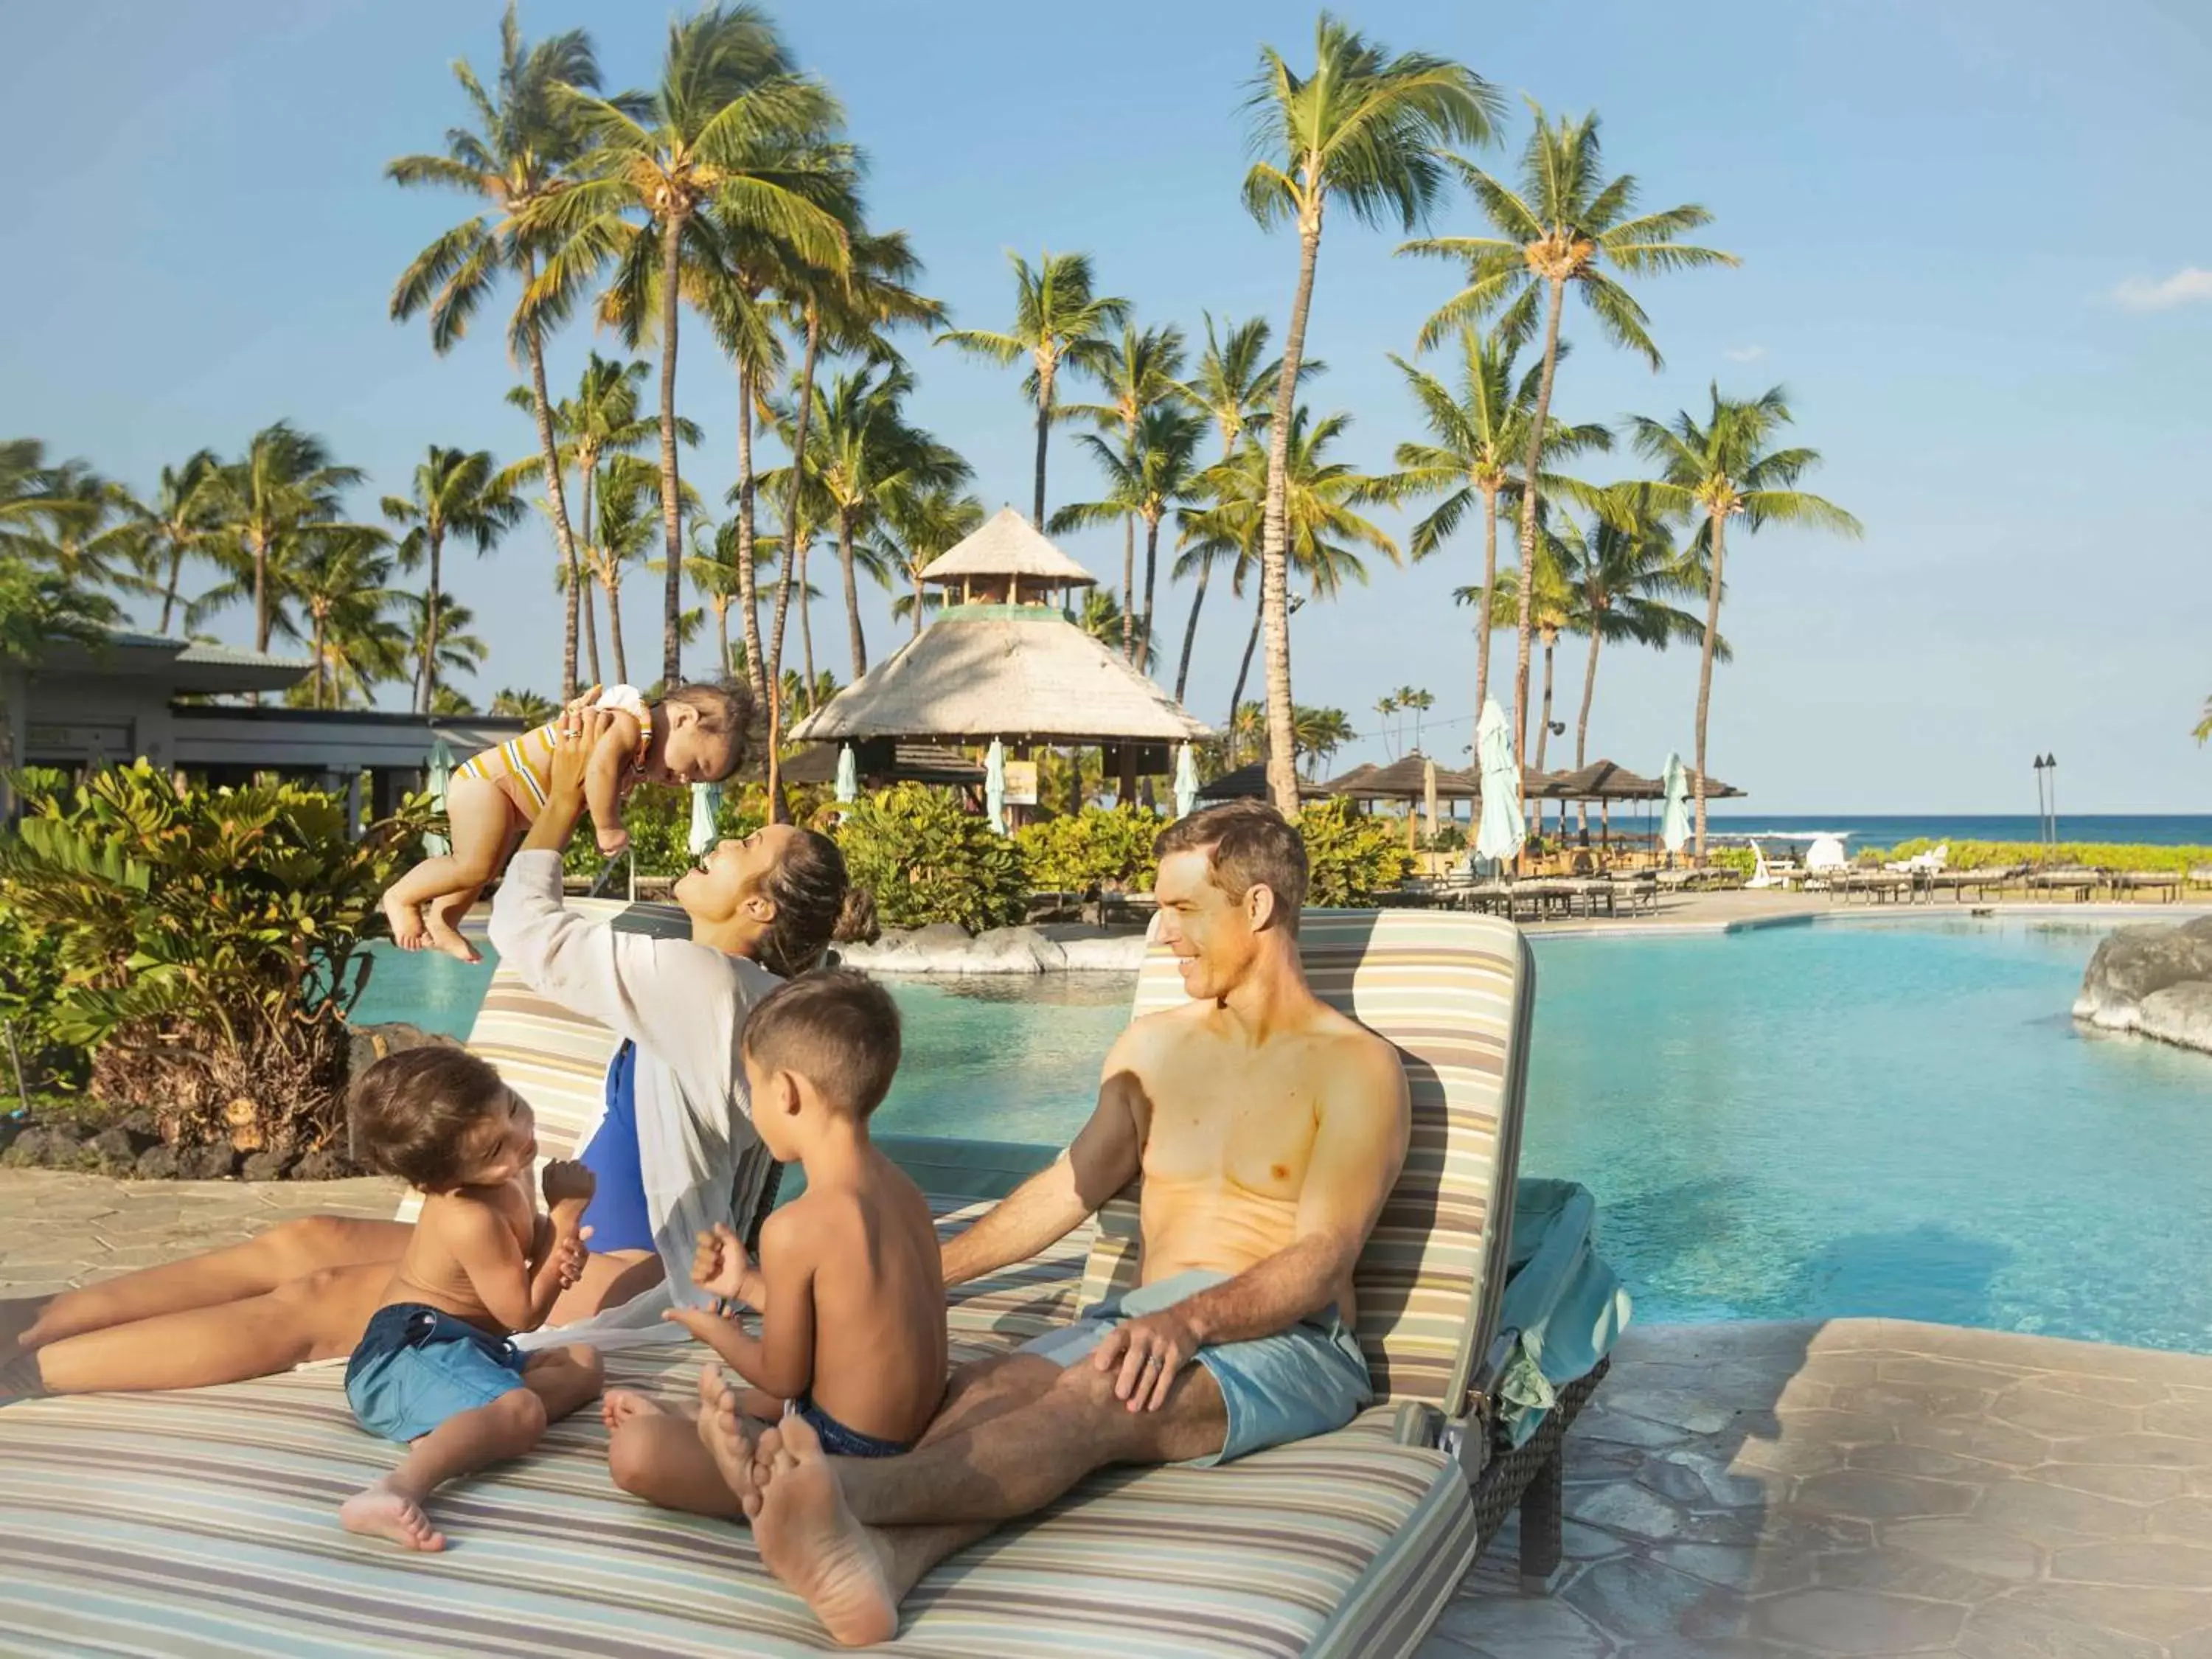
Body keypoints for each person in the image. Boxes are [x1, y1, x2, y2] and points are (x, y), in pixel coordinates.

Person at [0, 694, 876, 1403]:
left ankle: (32, 1372)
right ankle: (30, 1318)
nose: (722, 839)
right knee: (305, 1239)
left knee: (320, 1300)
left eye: (748, 847)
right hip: (578, 1240)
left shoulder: (709, 984)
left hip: (634, 1275)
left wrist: (566, 795)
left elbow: (530, 929)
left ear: (758, 910)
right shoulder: (723, 986)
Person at [696, 800, 1411, 1647]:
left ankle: (831, 1492)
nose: (1161, 935)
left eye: (1181, 909)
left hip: (1289, 1340)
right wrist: (921, 1278)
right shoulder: (1151, 1048)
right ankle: (880, 1567)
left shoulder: (1356, 1065)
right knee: (985, 1389)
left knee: (1093, 1399)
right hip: (1143, 1321)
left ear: (1256, 908)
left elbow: (1324, 1258)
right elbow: (1065, 1191)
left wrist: (1189, 1322)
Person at [600, 970, 946, 1512]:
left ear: (784, 1092)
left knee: (635, 1453)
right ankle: (705, 1424)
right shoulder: (906, 1194)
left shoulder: (794, 1225)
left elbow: (784, 1376)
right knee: (736, 1402)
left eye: (752, 1085)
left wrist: (713, 1329)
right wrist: (746, 1284)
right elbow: (848, 1319)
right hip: (910, 1433)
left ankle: (741, 1458)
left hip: (840, 1454)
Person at [337, 1047, 604, 1551]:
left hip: (467, 1351)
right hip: (403, 1357)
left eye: (513, 1109)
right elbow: (521, 1314)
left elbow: (534, 1249)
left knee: (584, 1364)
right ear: (439, 1182)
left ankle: (461, 1431)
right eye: (493, 1153)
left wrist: (559, 1247)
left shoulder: (512, 1175)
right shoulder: (468, 1216)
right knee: (523, 1410)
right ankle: (393, 1490)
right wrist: (567, 1215)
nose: (520, 1143)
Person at [382, 681, 749, 963]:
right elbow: (599, 767)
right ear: (684, 719)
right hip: (488, 784)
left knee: (484, 869)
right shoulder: (627, 724)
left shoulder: (636, 754)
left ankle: (444, 921)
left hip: (509, 801)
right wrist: (608, 825)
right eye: (698, 766)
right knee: (472, 864)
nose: (686, 781)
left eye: (698, 781)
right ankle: (400, 897)